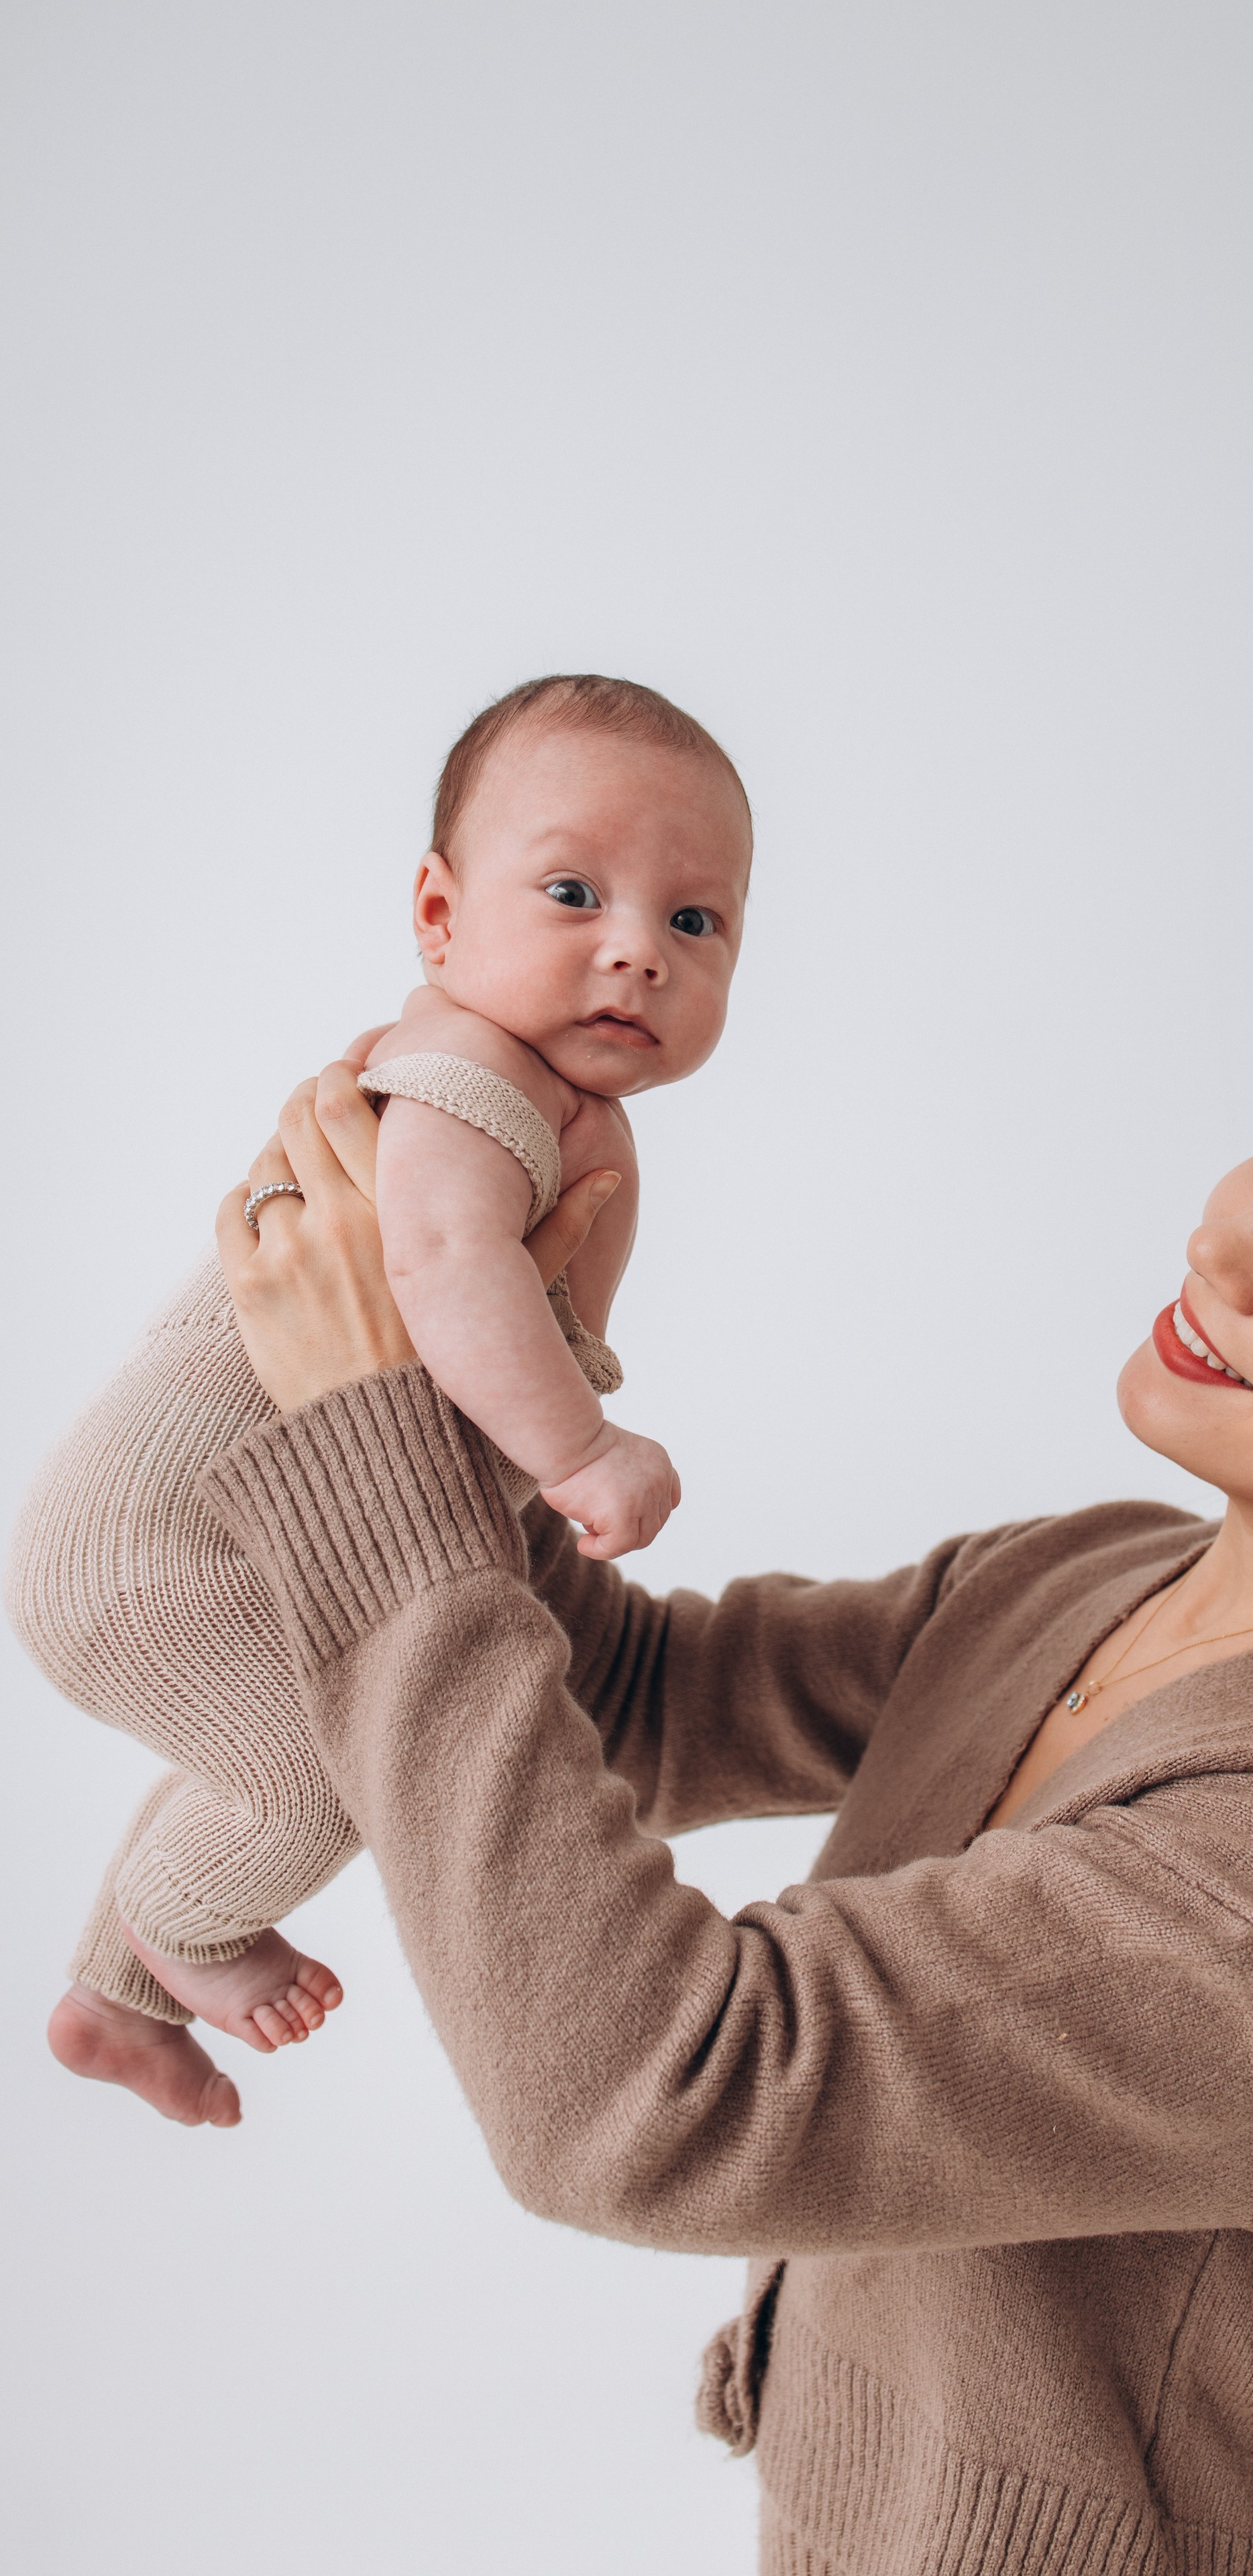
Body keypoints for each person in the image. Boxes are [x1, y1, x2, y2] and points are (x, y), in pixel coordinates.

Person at [57, 998, 1253, 2574]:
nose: (1225, 1244)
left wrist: (374, 1442)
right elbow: (630, 1701)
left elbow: (652, 2097)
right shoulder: (1098, 1577)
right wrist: (468, 1344)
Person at [5, 673, 752, 2121]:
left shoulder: (552, 1097)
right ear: (439, 916)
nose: (637, 951)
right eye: (573, 893)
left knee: (266, 1742)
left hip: (219, 1542)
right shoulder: (467, 1073)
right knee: (343, 1755)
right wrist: (581, 1446)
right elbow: (440, 1262)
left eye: (694, 921)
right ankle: (184, 1930)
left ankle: (111, 2002)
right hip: (159, 1543)